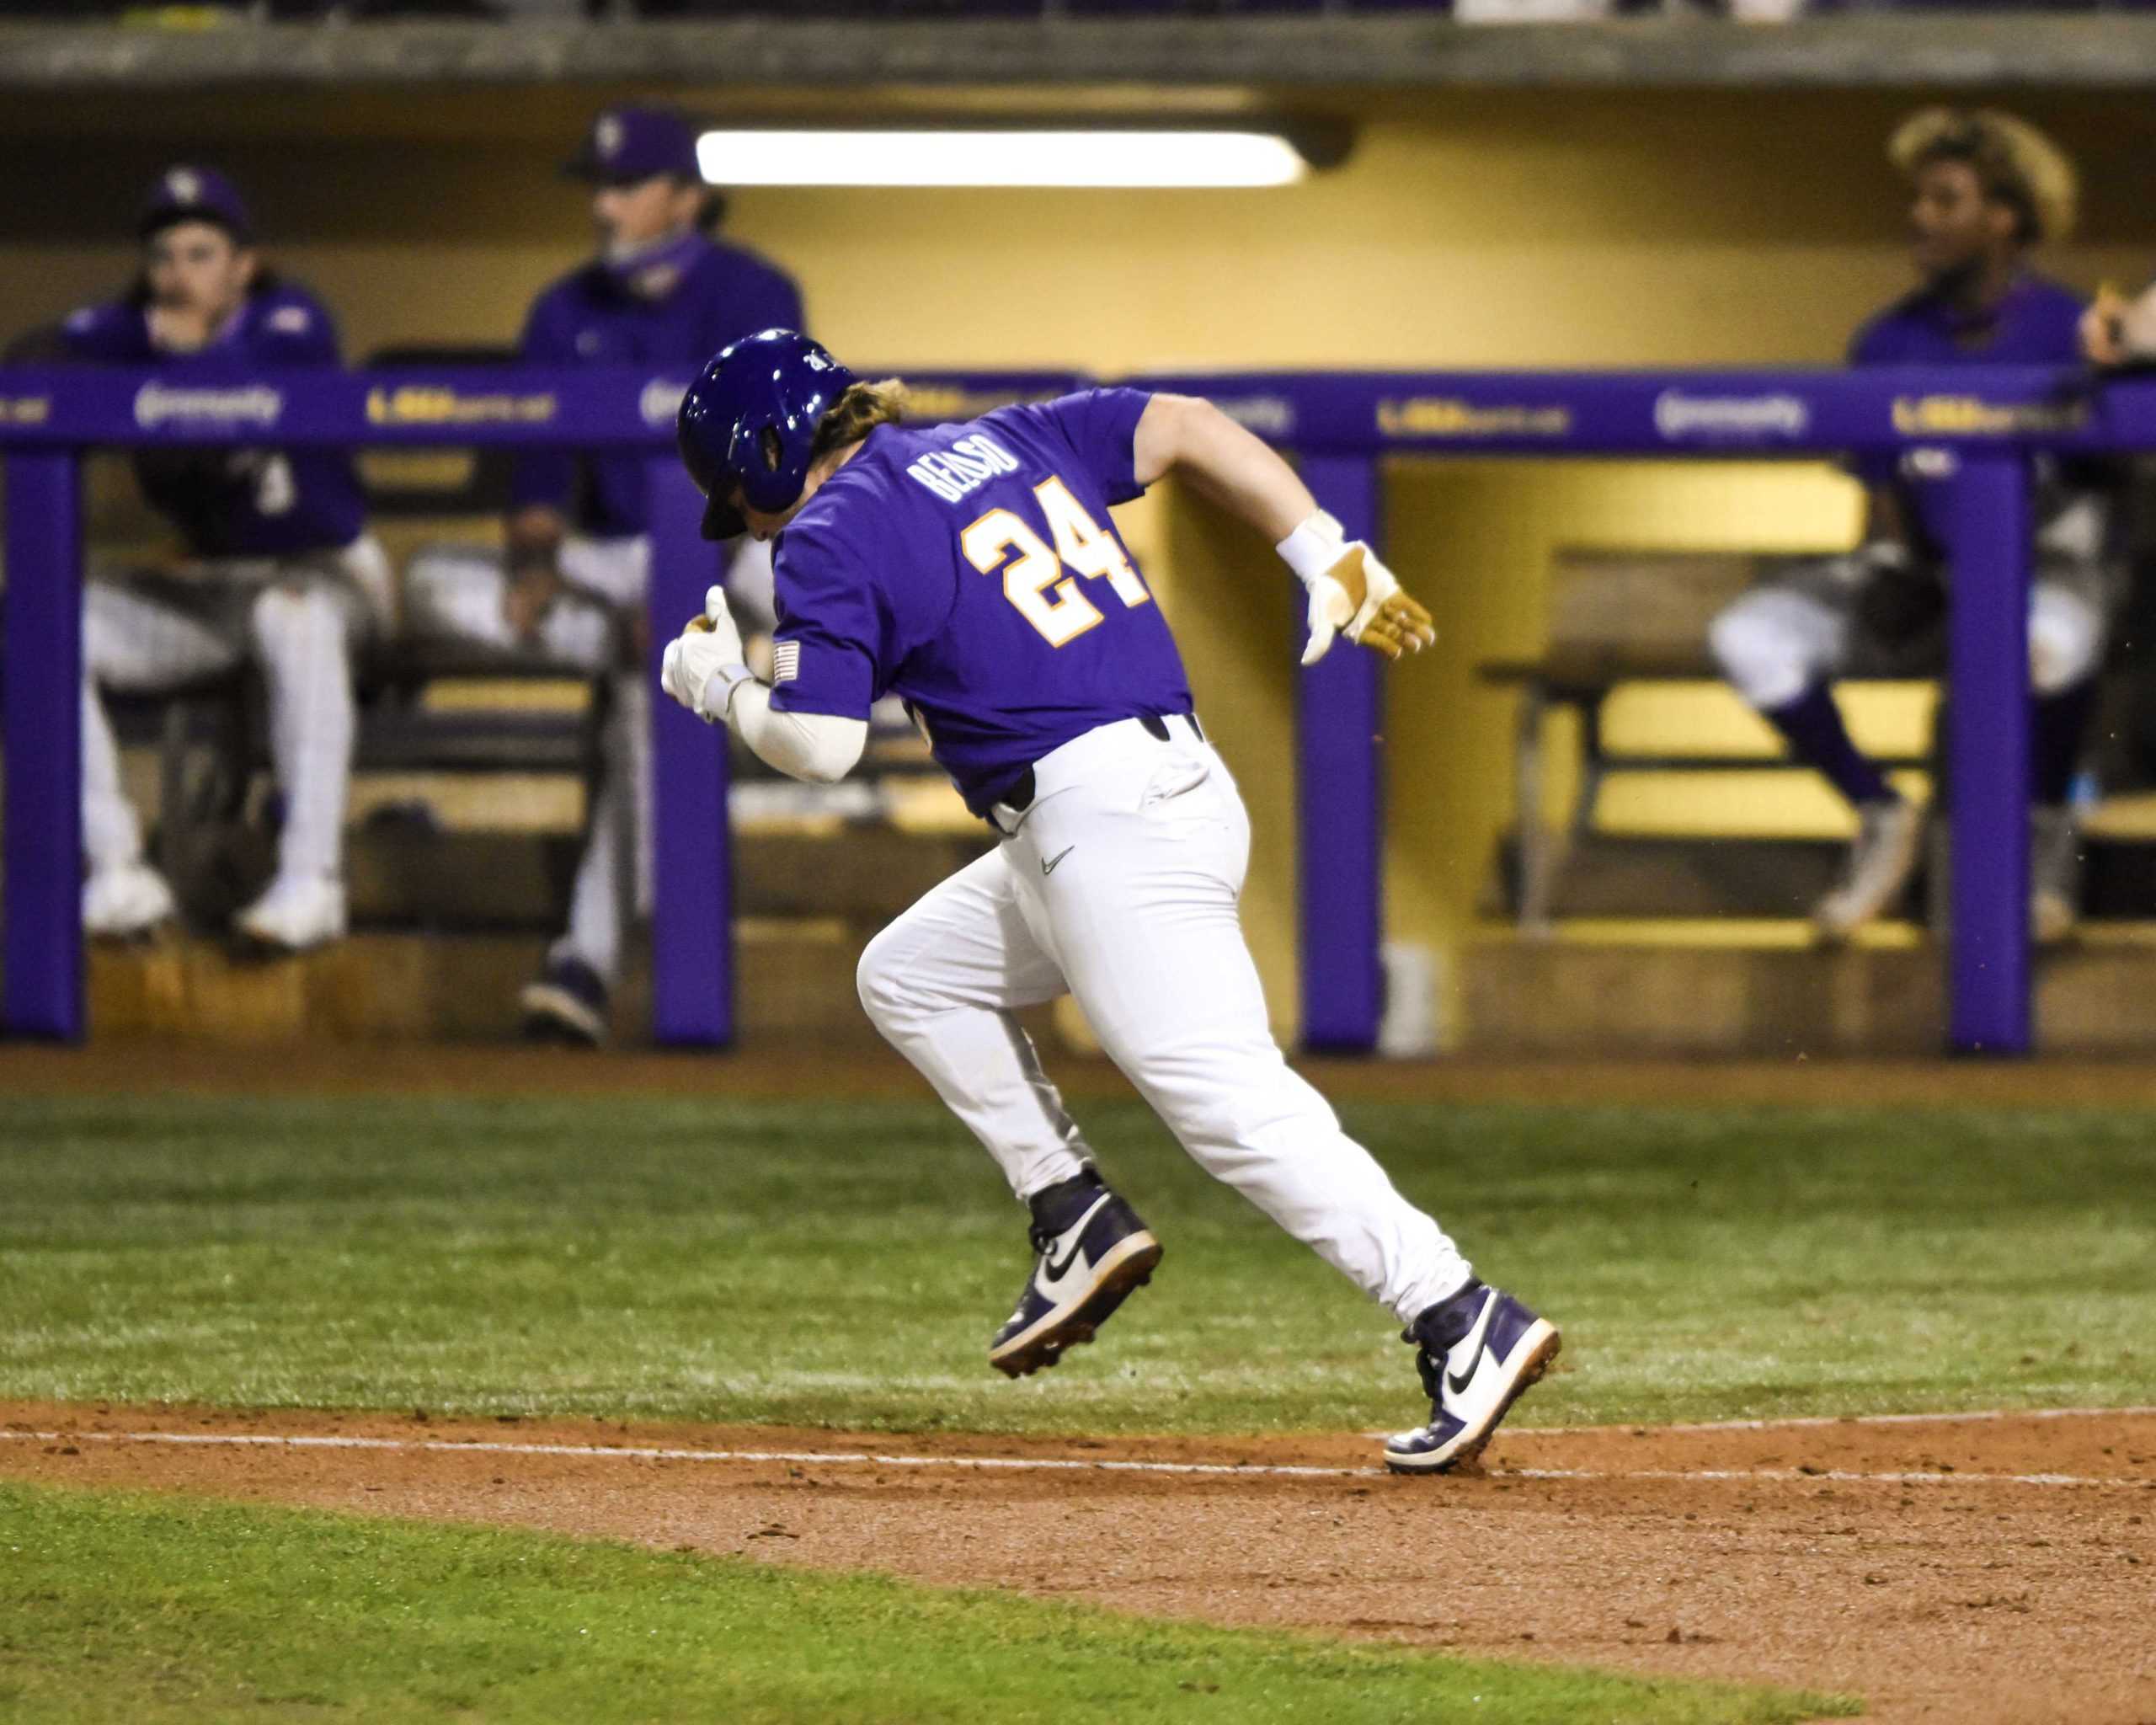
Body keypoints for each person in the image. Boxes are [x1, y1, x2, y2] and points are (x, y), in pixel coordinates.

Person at [659, 329, 1561, 1474]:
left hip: (1102, 827)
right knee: (909, 972)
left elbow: (820, 745)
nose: (751, 521)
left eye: (743, 494)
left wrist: (720, 686)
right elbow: (1187, 423)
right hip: (1153, 793)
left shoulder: (833, 530)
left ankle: (1456, 1311)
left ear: (776, 453)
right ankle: (1069, 1212)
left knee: (1229, 1106)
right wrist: (1324, 548)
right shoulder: (999, 438)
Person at [403, 105, 803, 1044]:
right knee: (428, 580)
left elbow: (774, 470)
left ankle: (584, 957)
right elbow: (541, 473)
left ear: (686, 199)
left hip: (733, 547)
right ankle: (675, 653)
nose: (604, 205)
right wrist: (535, 561)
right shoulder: (564, 304)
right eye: (599, 187)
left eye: (624, 187)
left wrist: (682, 595)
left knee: (674, 668)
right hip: (610, 560)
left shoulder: (755, 292)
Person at [1707, 109, 2112, 943]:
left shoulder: (2068, 330)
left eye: (1945, 199)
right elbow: (1880, 483)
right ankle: (1878, 811)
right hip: (1925, 580)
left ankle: (2042, 843)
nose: (1918, 217)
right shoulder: (1887, 339)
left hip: (2037, 570)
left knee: (2050, 638)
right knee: (1750, 635)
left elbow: (2105, 494)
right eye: (1919, 199)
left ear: (2004, 217)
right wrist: (1889, 557)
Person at [51, 166, 392, 950]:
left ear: (245, 263)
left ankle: (313, 882)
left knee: (291, 617)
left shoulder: (294, 320)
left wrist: (177, 357)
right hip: (216, 588)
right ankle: (115, 871)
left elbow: (232, 400)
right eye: (164, 257)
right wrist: (129, 344)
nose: (178, 276)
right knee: (51, 622)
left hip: (327, 571)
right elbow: (42, 354)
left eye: (201, 254)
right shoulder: (145, 325)